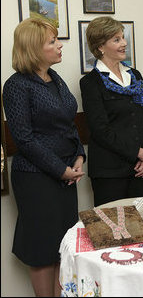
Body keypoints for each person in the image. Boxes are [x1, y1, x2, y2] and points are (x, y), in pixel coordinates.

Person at [2, 18, 86, 297]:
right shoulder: (16, 86)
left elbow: (68, 124)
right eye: (52, 41)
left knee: (63, 245)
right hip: (37, 178)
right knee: (42, 248)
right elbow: (23, 139)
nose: (59, 45)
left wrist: (78, 156)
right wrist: (59, 170)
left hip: (66, 176)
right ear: (33, 49)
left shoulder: (55, 78)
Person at [80, 16, 143, 207]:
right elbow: (101, 130)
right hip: (109, 173)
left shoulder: (135, 75)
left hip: (140, 169)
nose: (124, 43)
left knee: (142, 228)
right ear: (100, 46)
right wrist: (139, 153)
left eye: (123, 38)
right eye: (116, 39)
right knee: (112, 232)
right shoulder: (91, 83)